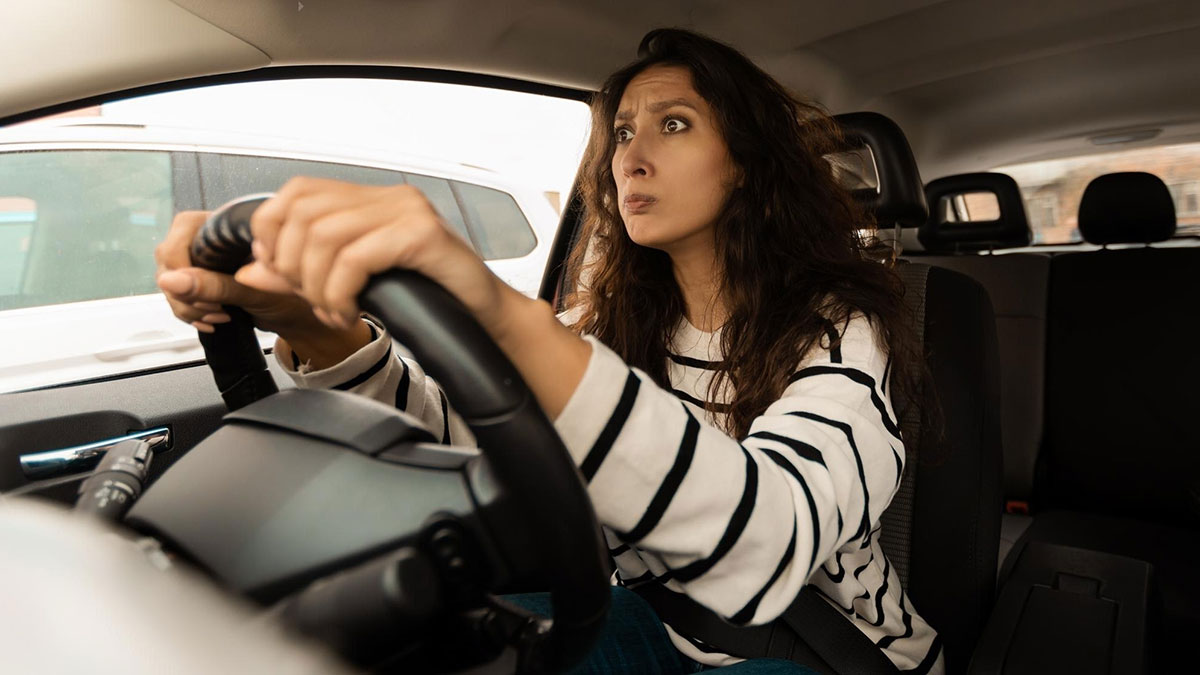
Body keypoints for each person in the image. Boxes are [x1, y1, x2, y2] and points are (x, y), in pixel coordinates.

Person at [155, 28, 943, 675]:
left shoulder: (839, 328)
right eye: (623, 132)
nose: (630, 156)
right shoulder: (607, 324)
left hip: (822, 652)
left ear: (745, 162)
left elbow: (774, 536)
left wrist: (496, 310)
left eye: (673, 125)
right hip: (651, 623)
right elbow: (469, 446)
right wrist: (321, 331)